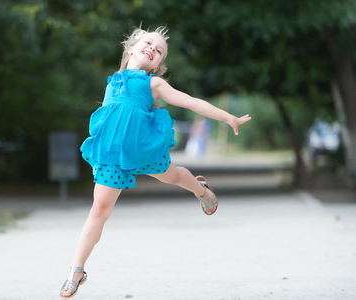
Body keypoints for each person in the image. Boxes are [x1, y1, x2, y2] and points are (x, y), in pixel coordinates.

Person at [60, 26, 251, 299]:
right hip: (113, 155)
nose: (153, 48)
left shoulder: (153, 84)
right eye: (148, 43)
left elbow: (192, 102)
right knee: (99, 211)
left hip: (142, 149)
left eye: (159, 50)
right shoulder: (112, 81)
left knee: (173, 176)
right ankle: (76, 271)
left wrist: (227, 117)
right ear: (131, 50)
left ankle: (201, 190)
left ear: (158, 65)